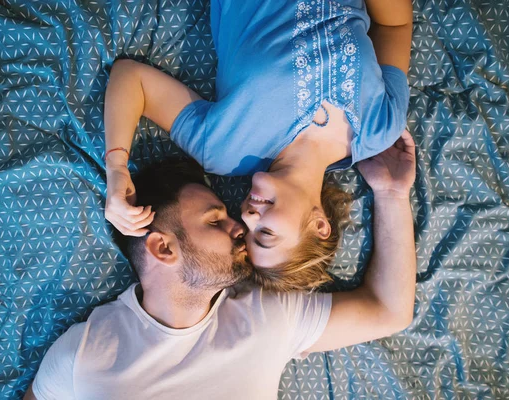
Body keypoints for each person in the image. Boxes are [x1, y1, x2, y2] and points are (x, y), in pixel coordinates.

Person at [24, 131, 417, 399]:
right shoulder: (86, 351)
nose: (239, 227)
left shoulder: (267, 313)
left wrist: (392, 193)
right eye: (215, 221)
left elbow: (388, 311)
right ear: (163, 249)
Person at [104, 0, 413, 290]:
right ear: (320, 225)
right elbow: (393, 27)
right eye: (265, 234)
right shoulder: (381, 128)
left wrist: (117, 169)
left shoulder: (224, 151)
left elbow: (132, 79)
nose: (248, 216)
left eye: (246, 229)